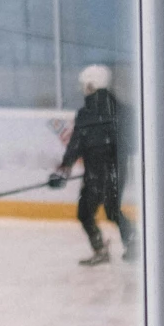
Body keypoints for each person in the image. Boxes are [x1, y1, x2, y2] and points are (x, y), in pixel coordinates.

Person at [54, 63, 134, 266]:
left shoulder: (86, 113)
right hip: (116, 171)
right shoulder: (123, 110)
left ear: (91, 85)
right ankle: (134, 243)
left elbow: (76, 145)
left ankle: (101, 249)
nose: (83, 89)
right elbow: (132, 145)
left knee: (85, 212)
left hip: (96, 173)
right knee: (112, 209)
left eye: (84, 84)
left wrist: (64, 168)